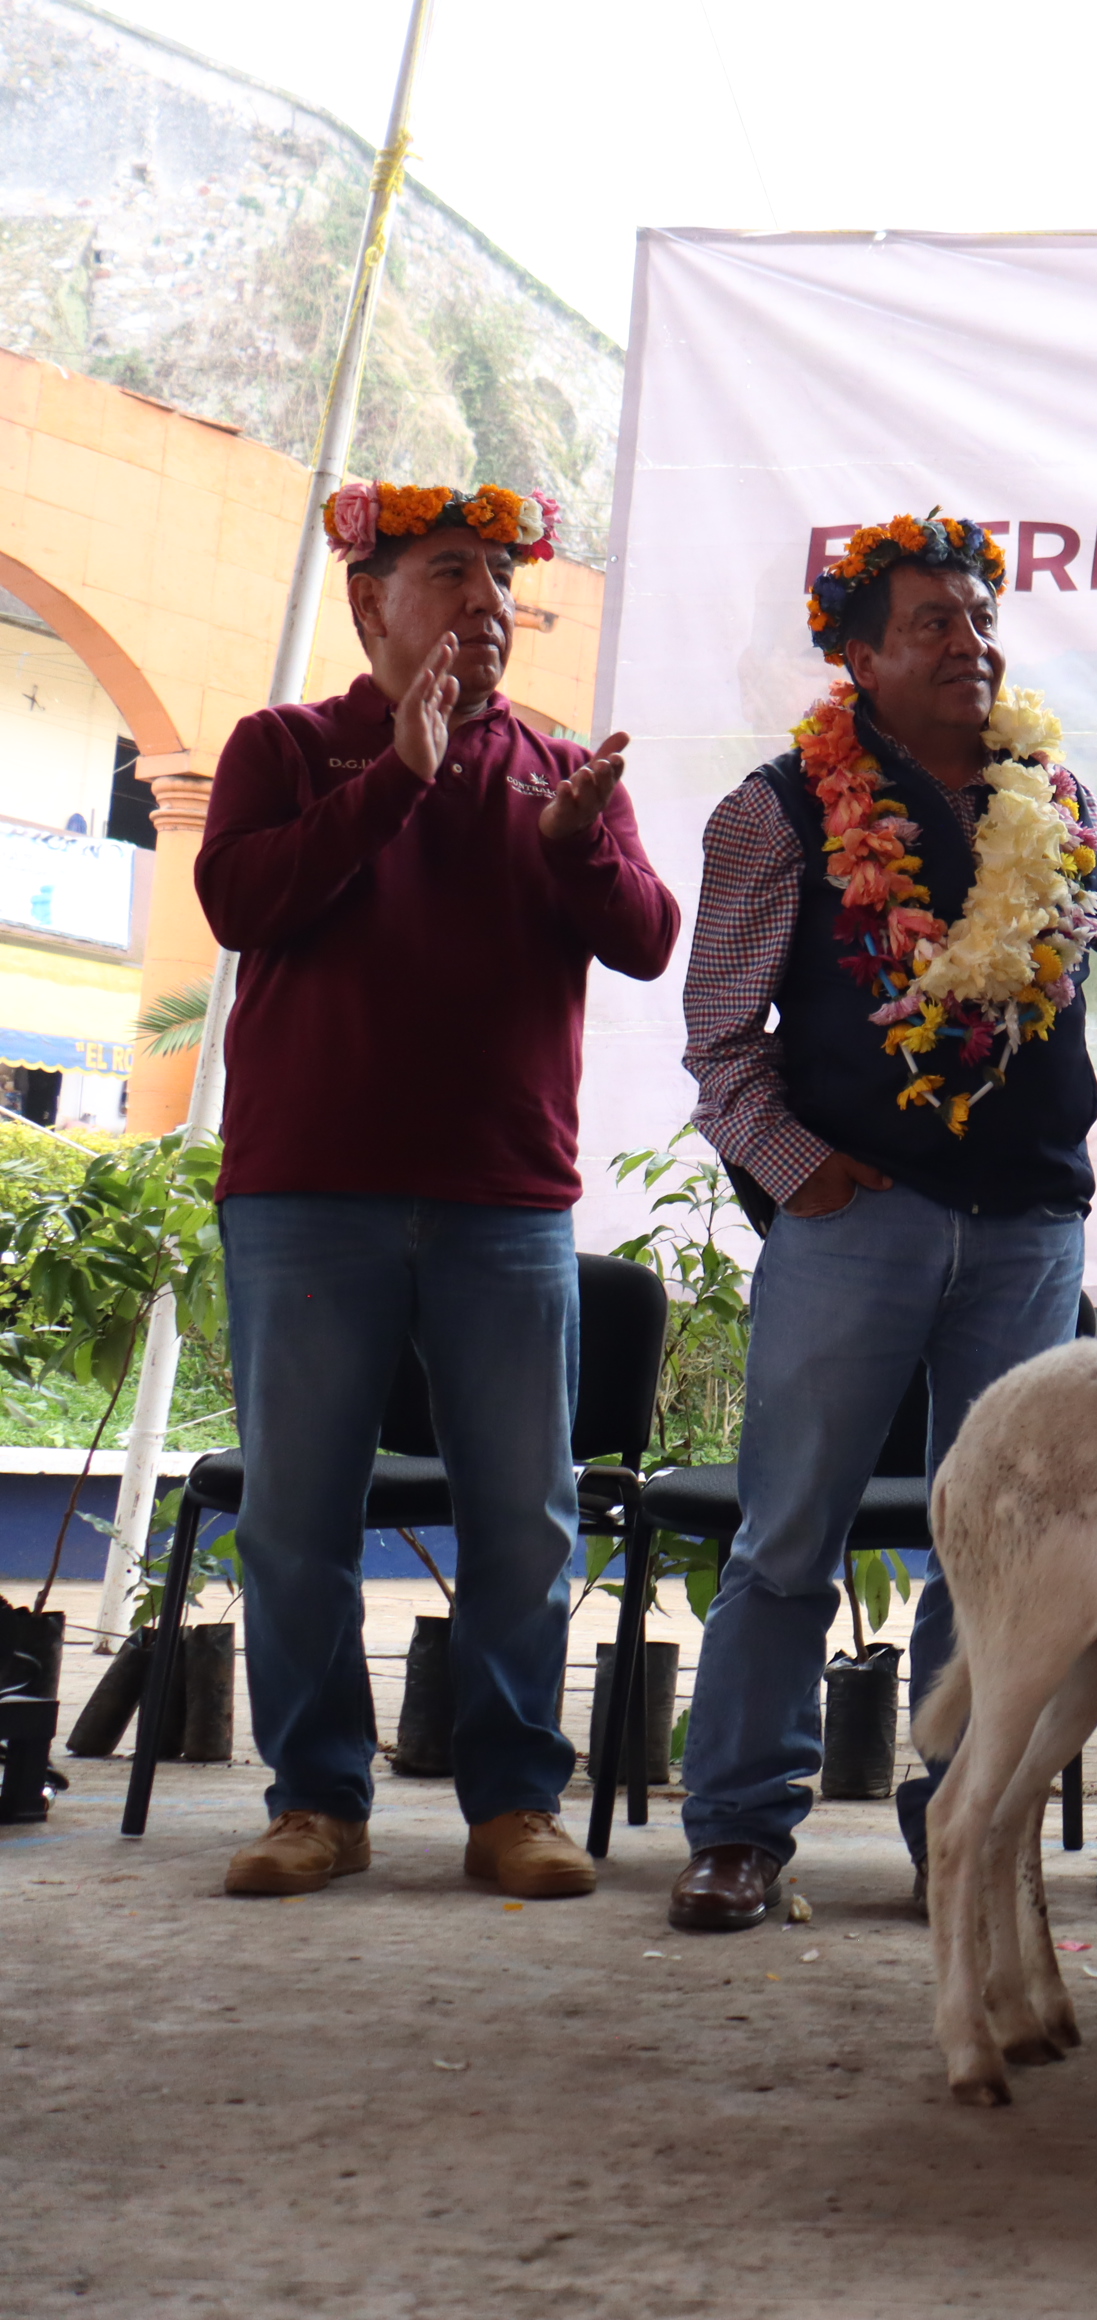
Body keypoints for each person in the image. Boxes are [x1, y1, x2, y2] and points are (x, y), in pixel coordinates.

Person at [670, 512, 1097, 1933]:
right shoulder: (778, 810)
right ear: (855, 654)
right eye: (932, 625)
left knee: (1000, 1547)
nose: (970, 644)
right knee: (790, 1537)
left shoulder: (1060, 800)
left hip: (1029, 1231)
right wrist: (803, 1173)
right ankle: (737, 1830)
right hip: (860, 1220)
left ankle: (962, 1832)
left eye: (980, 619)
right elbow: (722, 1041)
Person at [202, 478, 676, 1901]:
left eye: (502, 585)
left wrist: (580, 844)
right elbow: (244, 903)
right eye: (452, 576)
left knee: (526, 1515)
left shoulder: (561, 769)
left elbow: (649, 941)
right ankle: (315, 1803)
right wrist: (396, 780)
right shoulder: (284, 746)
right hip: (308, 1192)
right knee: (297, 1513)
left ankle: (515, 1803)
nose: (487, 607)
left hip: (503, 1198)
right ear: (370, 603)